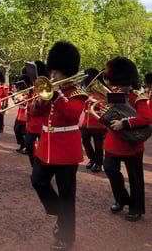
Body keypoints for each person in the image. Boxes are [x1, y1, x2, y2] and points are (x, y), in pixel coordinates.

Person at [30, 41, 87, 251]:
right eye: (51, 71)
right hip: (46, 145)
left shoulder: (77, 91)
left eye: (57, 72)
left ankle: (66, 237)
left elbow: (73, 114)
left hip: (66, 148)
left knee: (67, 194)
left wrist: (57, 94)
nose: (52, 75)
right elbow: (35, 114)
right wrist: (39, 102)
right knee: (37, 180)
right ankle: (58, 213)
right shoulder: (47, 90)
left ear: (66, 72)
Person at [103, 57, 151, 222]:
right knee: (109, 168)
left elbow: (146, 118)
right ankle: (122, 198)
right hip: (113, 141)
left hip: (132, 143)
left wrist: (125, 123)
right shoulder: (113, 95)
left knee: (135, 177)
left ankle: (136, 208)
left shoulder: (138, 97)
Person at [79, 68, 107, 173]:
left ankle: (99, 164)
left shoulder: (101, 92)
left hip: (98, 123)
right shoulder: (86, 92)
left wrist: (95, 102)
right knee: (85, 141)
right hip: (87, 122)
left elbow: (104, 106)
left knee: (98, 144)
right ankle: (92, 158)